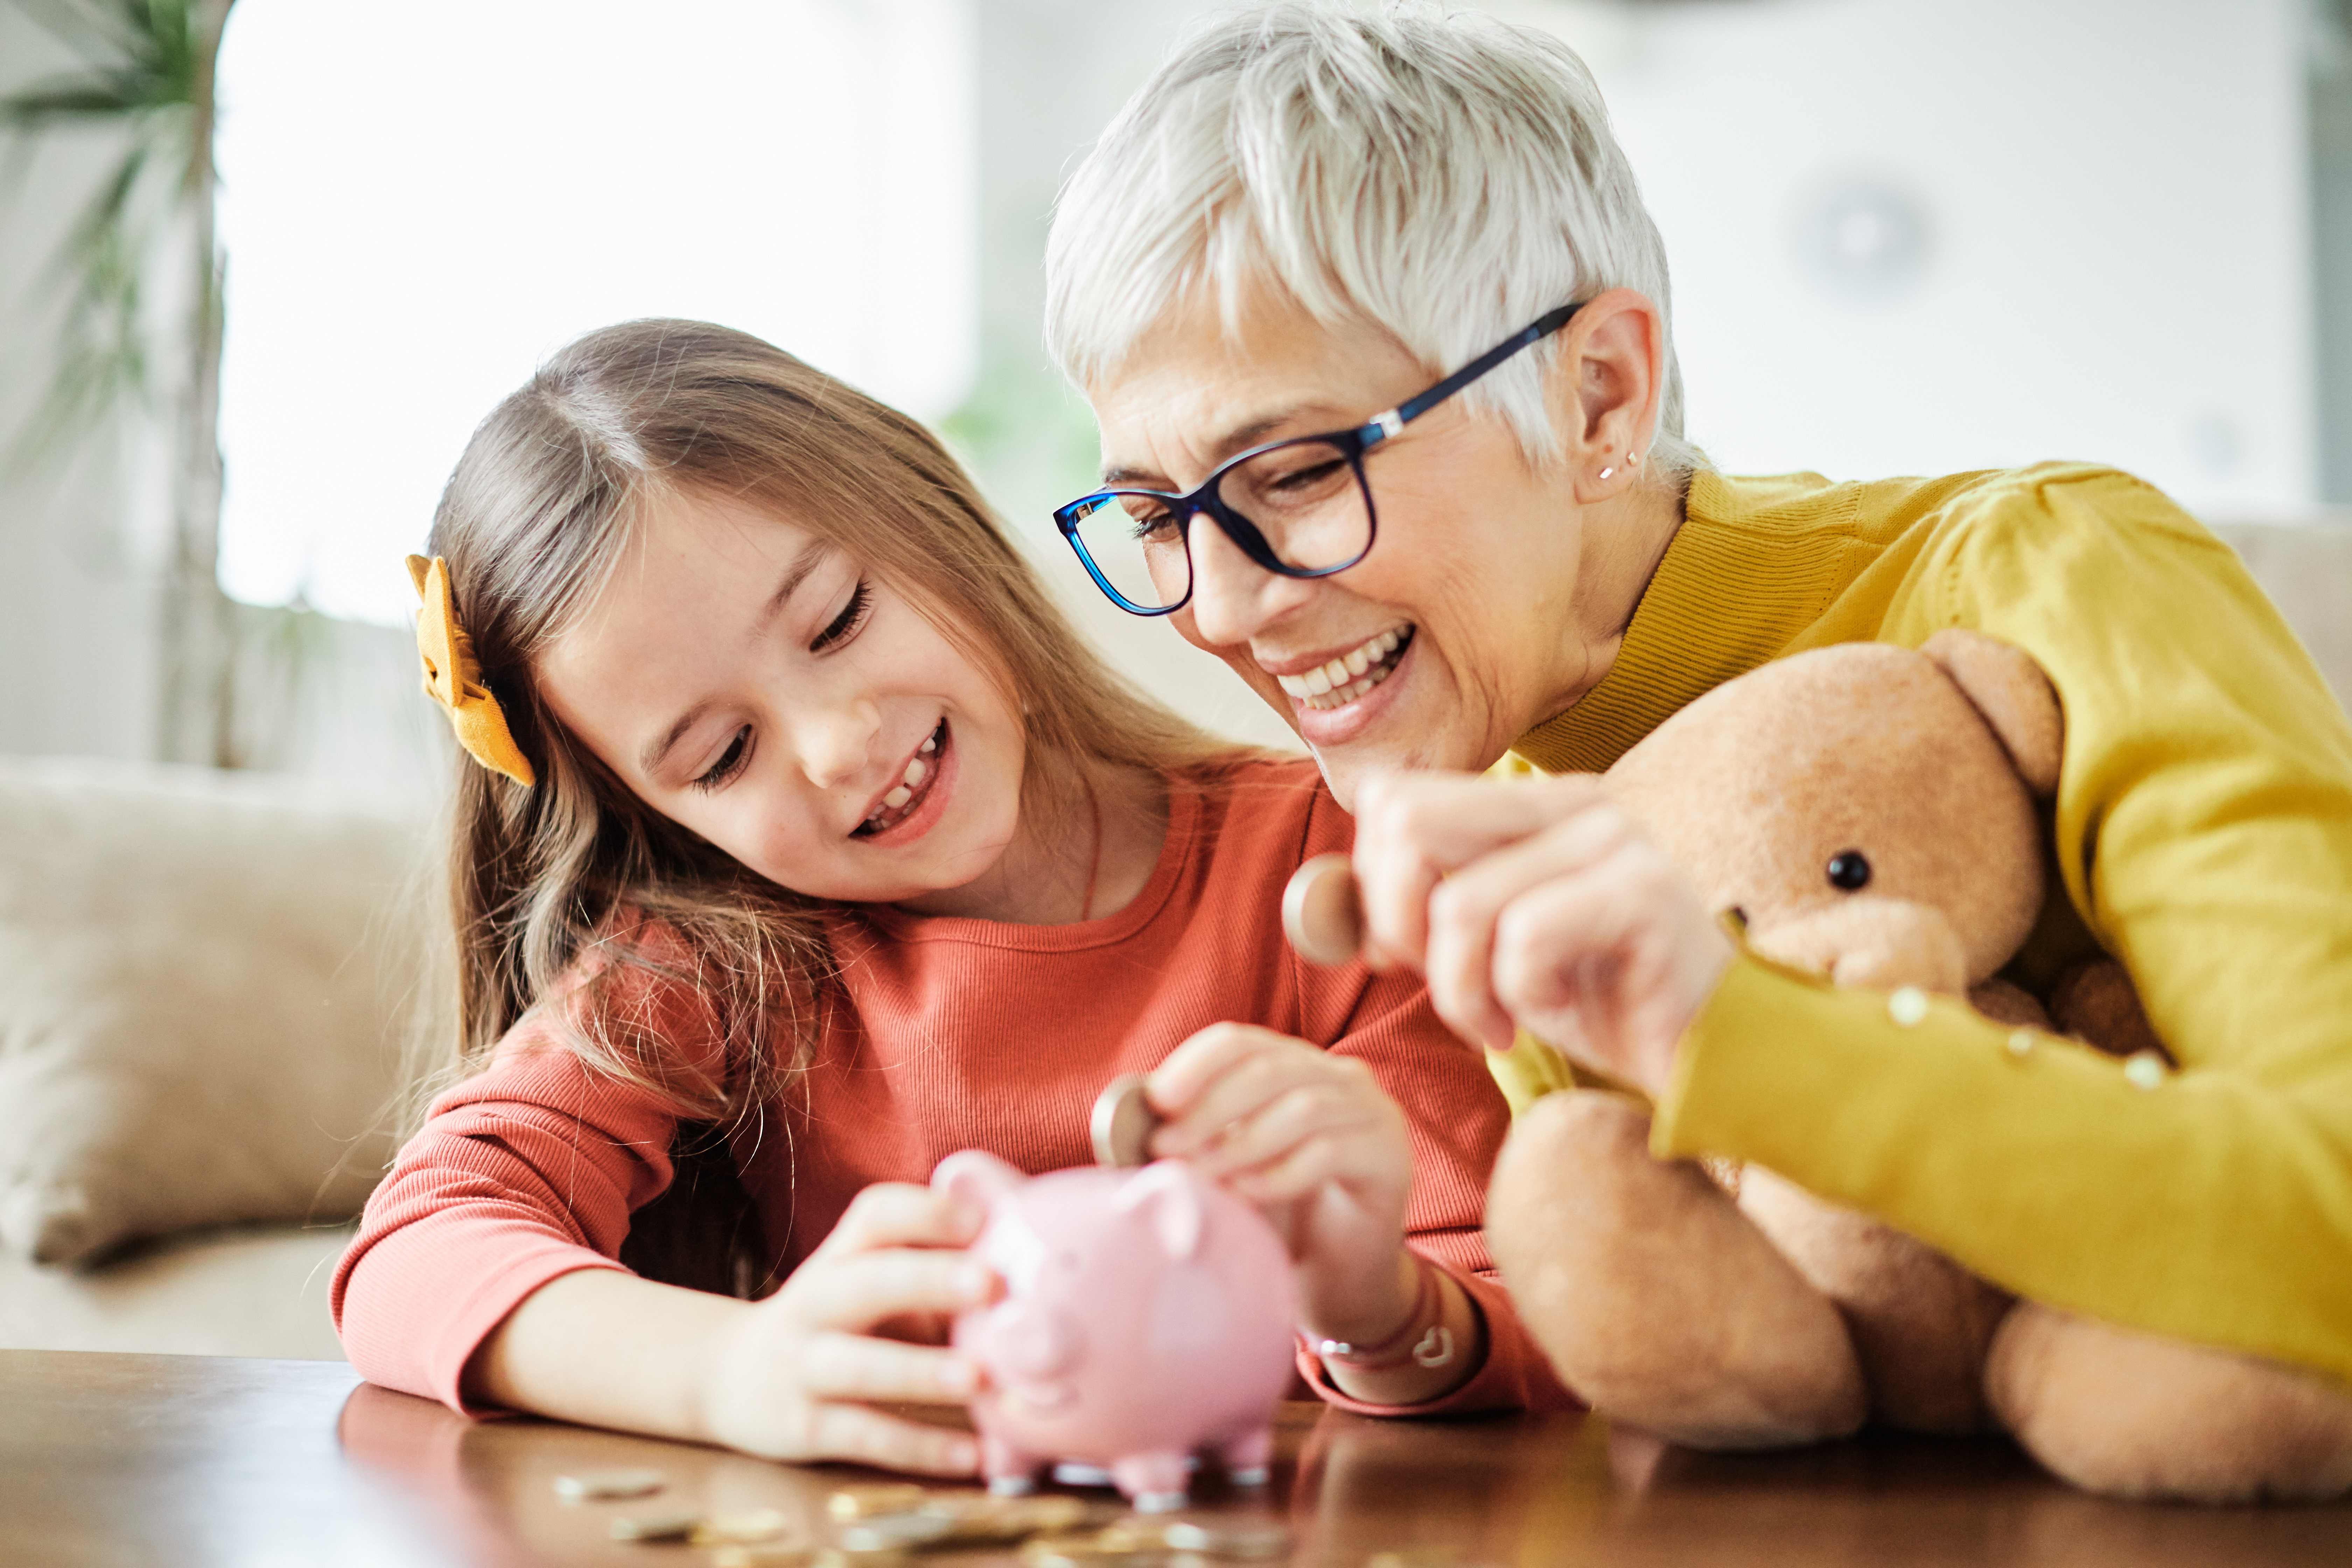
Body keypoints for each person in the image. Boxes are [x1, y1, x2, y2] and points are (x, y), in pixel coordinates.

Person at [1039, 0, 2352, 1499]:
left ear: (1599, 393)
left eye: (1297, 472)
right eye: (1157, 518)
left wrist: (1722, 1028)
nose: (1221, 607)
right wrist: (1370, 1304)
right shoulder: (1513, 794)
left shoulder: (2056, 576)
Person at [333, 320, 1570, 1475]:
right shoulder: (714, 964)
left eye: (837, 621)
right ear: (662, 815)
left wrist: (1369, 1303)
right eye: (721, 756)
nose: (835, 745)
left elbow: (1523, 1329)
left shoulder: (1335, 869)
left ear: (934, 528)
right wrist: (732, 1372)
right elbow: (415, 1249)